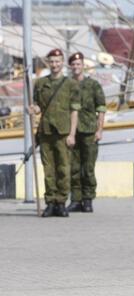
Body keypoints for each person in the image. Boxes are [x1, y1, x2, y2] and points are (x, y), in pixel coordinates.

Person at [32, 48, 80, 217]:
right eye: (52, 61)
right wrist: (33, 109)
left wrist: (72, 134)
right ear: (48, 63)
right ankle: (50, 202)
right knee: (48, 169)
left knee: (63, 168)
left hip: (63, 132)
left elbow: (74, 111)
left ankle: (61, 202)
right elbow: (38, 106)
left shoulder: (70, 85)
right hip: (45, 131)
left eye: (58, 61)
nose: (55, 64)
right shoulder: (40, 83)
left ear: (62, 63)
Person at [66, 52, 106, 213]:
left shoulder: (93, 85)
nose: (76, 67)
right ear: (70, 67)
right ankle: (76, 200)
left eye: (78, 64)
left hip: (89, 131)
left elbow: (101, 108)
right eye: (73, 65)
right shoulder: (67, 85)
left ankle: (88, 199)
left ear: (83, 65)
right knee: (74, 167)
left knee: (88, 168)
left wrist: (100, 130)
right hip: (71, 132)